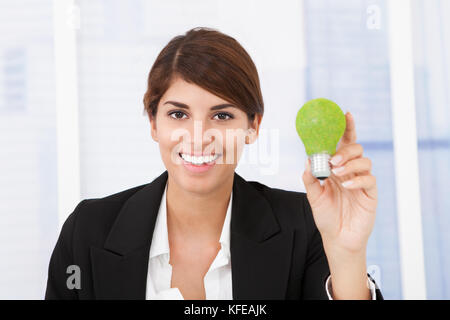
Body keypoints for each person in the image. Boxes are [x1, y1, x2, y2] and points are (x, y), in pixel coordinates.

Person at [45, 27, 383, 300]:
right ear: (153, 123)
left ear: (253, 127)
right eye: (178, 114)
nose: (198, 136)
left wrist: (347, 252)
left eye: (221, 115)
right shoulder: (87, 232)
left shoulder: (307, 226)